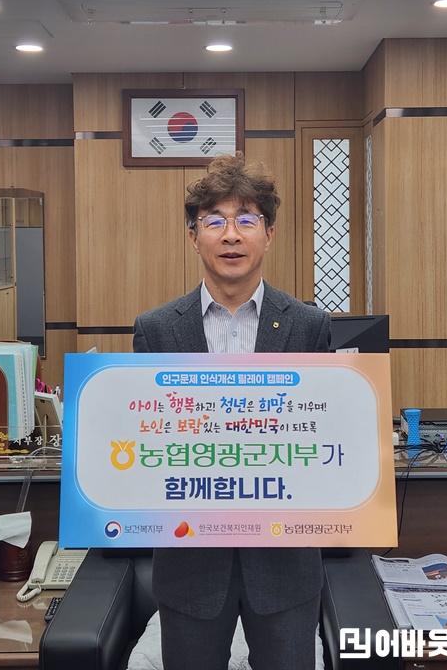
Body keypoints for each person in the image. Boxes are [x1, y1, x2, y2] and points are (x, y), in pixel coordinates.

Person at [133, 153, 331, 670]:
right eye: (215, 222)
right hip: (190, 566)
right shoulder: (156, 330)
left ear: (269, 233)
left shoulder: (309, 326)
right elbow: (148, 443)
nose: (231, 235)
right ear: (193, 235)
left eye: (246, 220)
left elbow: (323, 438)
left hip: (285, 568)